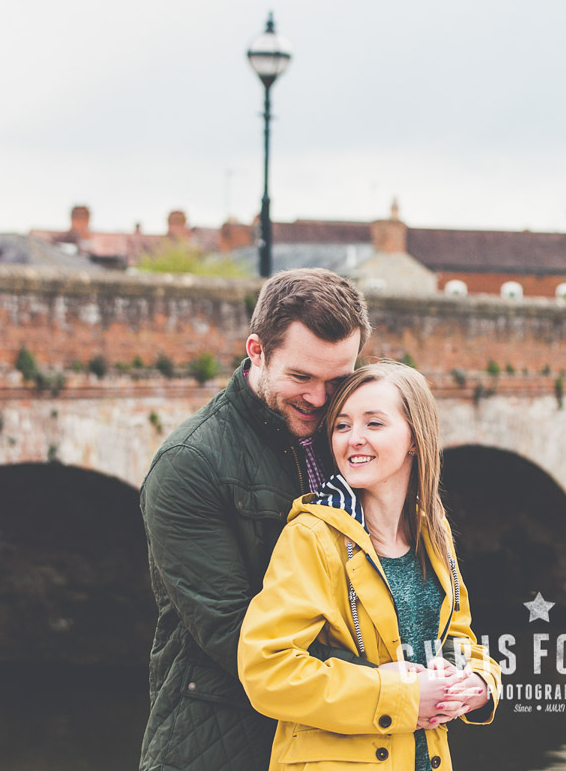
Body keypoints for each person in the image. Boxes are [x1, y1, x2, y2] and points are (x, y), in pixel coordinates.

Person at [139, 269, 371, 771]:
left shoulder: (355, 439)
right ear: (257, 351)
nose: (320, 399)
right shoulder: (189, 463)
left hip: (343, 738)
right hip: (222, 742)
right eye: (301, 377)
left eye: (338, 380)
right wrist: (390, 683)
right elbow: (235, 634)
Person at [239, 361, 500, 771]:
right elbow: (267, 670)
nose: (353, 439)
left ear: (415, 438)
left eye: (373, 423)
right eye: (342, 426)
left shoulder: (433, 530)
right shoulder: (313, 536)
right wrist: (397, 696)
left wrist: (478, 683)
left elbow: (457, 637)